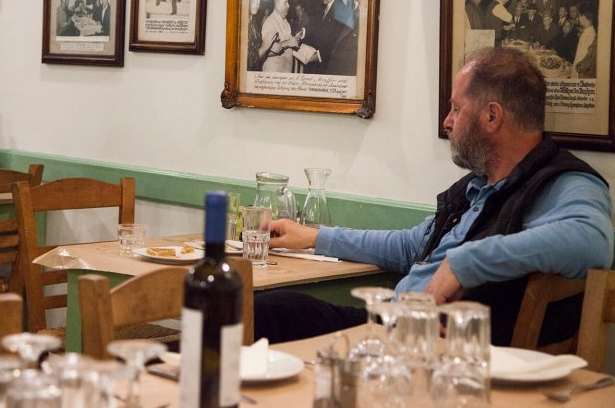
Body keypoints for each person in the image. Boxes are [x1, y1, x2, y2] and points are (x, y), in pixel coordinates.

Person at [254, 47, 613, 346]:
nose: (447, 120)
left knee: (266, 316)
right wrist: (314, 238)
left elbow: (593, 242)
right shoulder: (478, 186)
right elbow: (412, 246)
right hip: (391, 327)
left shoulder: (562, 182)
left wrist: (464, 263)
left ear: (492, 116)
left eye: (457, 108)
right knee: (266, 308)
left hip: (435, 352)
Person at [305, 0, 353, 74]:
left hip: (327, 69)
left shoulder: (342, 12)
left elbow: (337, 45)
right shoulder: (322, 5)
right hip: (315, 67)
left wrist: (318, 56)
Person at [260, 0, 302, 73]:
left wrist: (295, 39)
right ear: (278, 5)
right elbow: (266, 52)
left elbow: (289, 43)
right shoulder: (270, 22)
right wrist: (288, 43)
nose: (288, 6)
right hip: (274, 75)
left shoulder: (286, 22)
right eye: (285, 3)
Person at [574, 10, 597, 79]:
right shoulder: (586, 32)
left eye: (579, 16)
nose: (577, 18)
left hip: (581, 73)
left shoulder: (591, 35)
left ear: (583, 17)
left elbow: (585, 58)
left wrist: (577, 68)